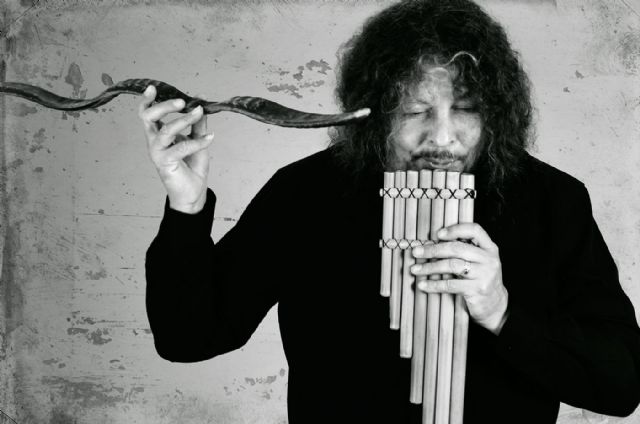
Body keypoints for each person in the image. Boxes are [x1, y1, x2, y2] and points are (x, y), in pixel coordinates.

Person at [140, 0, 640, 423]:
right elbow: (187, 338)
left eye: (465, 108)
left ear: (496, 111)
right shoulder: (304, 194)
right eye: (414, 110)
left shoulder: (553, 200)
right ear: (375, 111)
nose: (442, 137)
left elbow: (621, 388)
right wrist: (187, 206)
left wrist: (502, 312)